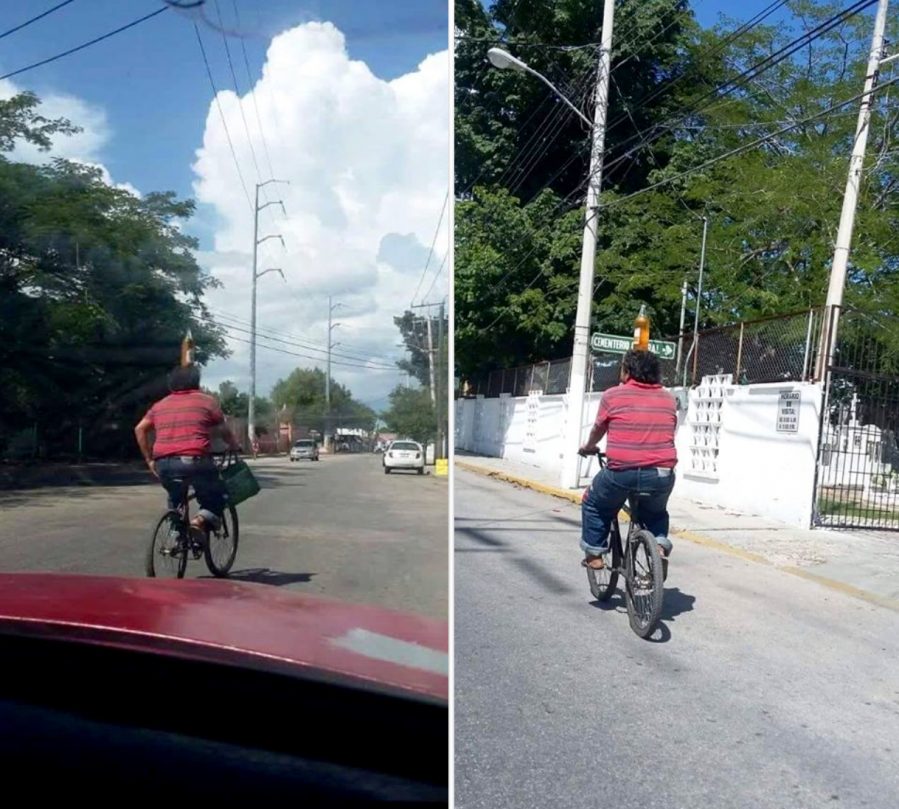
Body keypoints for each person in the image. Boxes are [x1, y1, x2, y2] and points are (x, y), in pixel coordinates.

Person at [578, 349, 677, 572]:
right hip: (662, 473)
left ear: (628, 371)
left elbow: (598, 428)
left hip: (621, 472)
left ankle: (594, 553)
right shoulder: (668, 398)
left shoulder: (613, 395)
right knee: (656, 512)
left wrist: (589, 446)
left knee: (594, 503)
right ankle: (659, 546)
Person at [134, 365, 240, 537]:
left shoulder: (159, 405)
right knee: (217, 494)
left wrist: (149, 460)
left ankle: (177, 533)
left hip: (164, 463)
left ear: (171, 384)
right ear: (196, 382)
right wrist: (235, 445)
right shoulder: (207, 401)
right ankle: (199, 522)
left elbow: (139, 429)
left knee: (176, 497)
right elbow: (224, 431)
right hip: (195, 461)